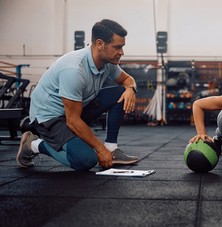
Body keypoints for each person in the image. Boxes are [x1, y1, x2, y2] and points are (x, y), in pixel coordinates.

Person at [16, 19, 139, 171]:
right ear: (100, 44)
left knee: (121, 92)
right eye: (117, 47)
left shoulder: (108, 63)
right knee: (86, 160)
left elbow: (127, 80)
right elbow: (72, 120)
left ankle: (112, 148)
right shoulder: (74, 70)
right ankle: (33, 144)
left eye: (122, 47)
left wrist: (131, 89)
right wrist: (100, 150)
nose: (122, 52)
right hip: (49, 117)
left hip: (75, 109)